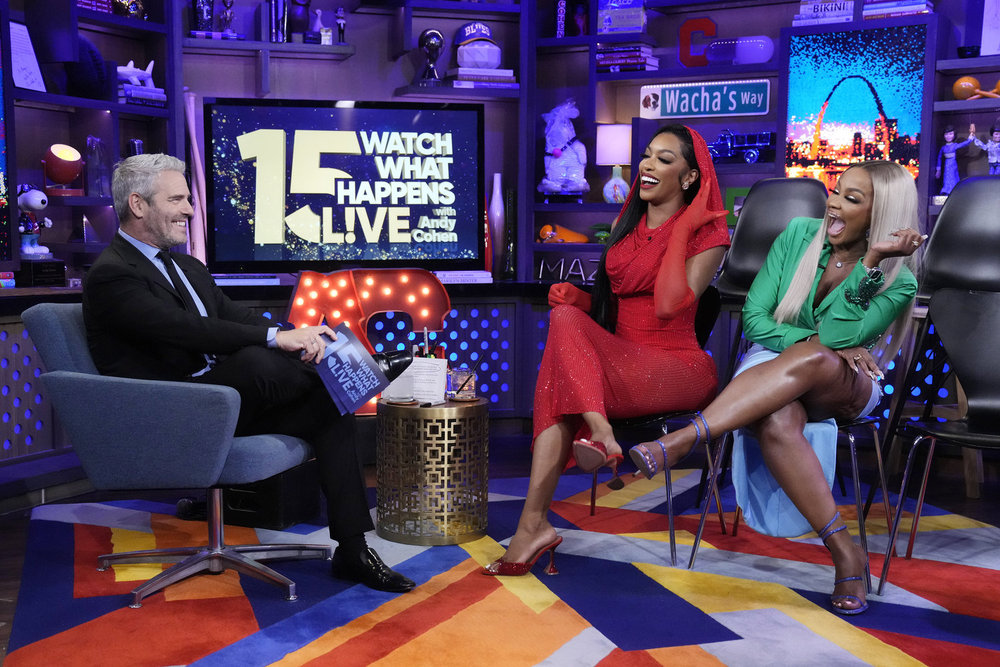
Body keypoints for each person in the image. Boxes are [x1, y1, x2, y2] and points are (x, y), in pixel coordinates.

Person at [83, 154, 415, 593]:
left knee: (328, 404)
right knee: (260, 360)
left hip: (223, 404)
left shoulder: (186, 267)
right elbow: (188, 330)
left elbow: (233, 316)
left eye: (188, 199)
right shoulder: (112, 274)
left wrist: (291, 333)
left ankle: (352, 549)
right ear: (139, 205)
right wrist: (278, 341)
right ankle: (357, 372)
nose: (189, 210)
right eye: (178, 199)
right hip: (168, 411)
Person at [629, 160, 924, 615]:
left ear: (880, 214)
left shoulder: (897, 278)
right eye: (836, 190)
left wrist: (870, 263)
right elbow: (754, 318)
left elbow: (839, 341)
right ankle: (846, 553)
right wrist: (806, 343)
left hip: (847, 387)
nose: (833, 204)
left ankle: (686, 439)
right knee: (777, 417)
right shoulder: (799, 235)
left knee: (815, 357)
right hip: (777, 374)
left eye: (851, 198)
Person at [483, 125, 731, 576]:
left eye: (664, 159)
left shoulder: (708, 235)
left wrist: (685, 227)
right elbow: (613, 307)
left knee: (563, 384)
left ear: (691, 177)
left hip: (676, 365)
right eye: (647, 156)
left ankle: (570, 471)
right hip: (621, 356)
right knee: (563, 324)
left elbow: (669, 303)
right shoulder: (625, 223)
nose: (648, 166)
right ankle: (543, 509)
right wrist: (579, 301)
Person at [935, 124, 975, 195]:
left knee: (953, 177)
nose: (948, 136)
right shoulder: (943, 148)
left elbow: (965, 143)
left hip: (953, 164)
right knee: (946, 177)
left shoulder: (955, 145)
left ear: (954, 135)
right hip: (947, 165)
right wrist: (938, 170)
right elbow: (939, 158)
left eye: (950, 134)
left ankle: (954, 191)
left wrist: (971, 136)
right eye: (946, 134)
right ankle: (947, 191)